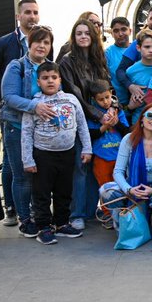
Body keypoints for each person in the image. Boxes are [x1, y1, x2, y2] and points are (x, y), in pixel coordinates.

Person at [20, 62, 92, 244]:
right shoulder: (35, 104)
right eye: (45, 78)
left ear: (60, 79)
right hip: (43, 155)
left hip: (67, 154)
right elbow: (26, 132)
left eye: (54, 77)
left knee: (64, 191)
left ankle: (61, 223)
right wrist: (28, 160)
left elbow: (82, 125)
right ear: (38, 81)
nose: (50, 81)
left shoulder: (71, 99)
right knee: (42, 193)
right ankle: (43, 227)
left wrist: (87, 148)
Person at [0, 0, 39, 224]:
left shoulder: (42, 41)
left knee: (32, 163)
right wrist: (7, 98)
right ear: (18, 16)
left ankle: (33, 209)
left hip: (36, 115)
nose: (32, 16)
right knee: (11, 163)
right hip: (13, 115)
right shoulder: (4, 43)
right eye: (27, 12)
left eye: (35, 12)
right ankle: (12, 209)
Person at [57, 17, 111, 230]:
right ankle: (77, 213)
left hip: (102, 117)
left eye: (87, 33)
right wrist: (99, 115)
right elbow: (74, 94)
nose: (83, 37)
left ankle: (91, 211)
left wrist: (112, 109)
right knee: (81, 166)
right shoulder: (67, 62)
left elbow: (108, 86)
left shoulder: (99, 59)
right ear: (74, 36)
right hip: (81, 119)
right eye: (79, 33)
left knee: (100, 163)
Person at [0, 26, 55, 227]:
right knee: (22, 176)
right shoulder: (17, 66)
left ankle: (38, 214)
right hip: (17, 127)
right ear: (29, 44)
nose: (42, 46)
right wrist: (35, 106)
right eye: (38, 41)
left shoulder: (51, 68)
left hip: (42, 131)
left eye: (46, 42)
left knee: (40, 177)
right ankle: (24, 219)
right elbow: (9, 96)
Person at [100, 103, 152, 241]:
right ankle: (121, 226)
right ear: (142, 119)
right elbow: (118, 171)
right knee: (105, 190)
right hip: (132, 186)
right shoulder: (129, 139)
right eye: (150, 115)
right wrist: (129, 189)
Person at [86, 81, 127, 189]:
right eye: (100, 99)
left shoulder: (118, 111)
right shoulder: (93, 113)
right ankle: (106, 207)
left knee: (121, 188)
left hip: (119, 157)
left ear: (111, 93)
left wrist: (116, 123)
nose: (105, 102)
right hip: (101, 157)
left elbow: (127, 132)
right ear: (94, 99)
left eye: (107, 97)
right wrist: (104, 126)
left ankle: (122, 207)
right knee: (106, 189)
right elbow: (90, 135)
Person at [105, 16, 132, 108]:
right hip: (118, 105)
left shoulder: (138, 49)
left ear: (130, 31)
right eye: (116, 31)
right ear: (112, 33)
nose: (120, 34)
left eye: (123, 29)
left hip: (139, 102)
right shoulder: (107, 53)